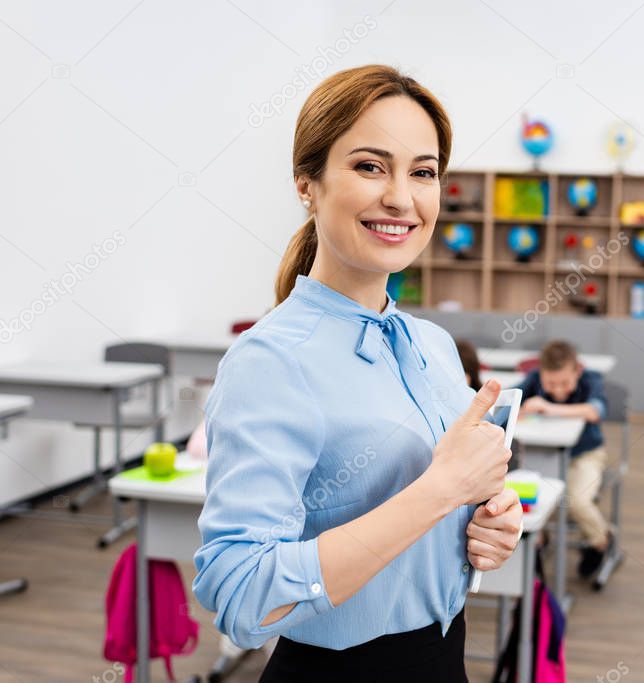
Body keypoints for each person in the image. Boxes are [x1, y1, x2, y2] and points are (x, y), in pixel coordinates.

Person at [192, 65, 523, 683]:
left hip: (446, 658)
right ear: (307, 185)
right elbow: (240, 597)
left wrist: (486, 524)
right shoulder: (271, 360)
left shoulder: (434, 345)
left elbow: (444, 506)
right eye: (371, 166)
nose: (401, 197)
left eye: (422, 172)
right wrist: (439, 493)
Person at [519, 340, 612, 578]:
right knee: (528, 502)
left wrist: (548, 407)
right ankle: (538, 543)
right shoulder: (534, 378)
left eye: (565, 383)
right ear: (541, 374)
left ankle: (600, 541)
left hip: (585, 455)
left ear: (577, 371)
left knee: (577, 501)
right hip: (543, 455)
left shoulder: (591, 379)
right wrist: (524, 408)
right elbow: (511, 403)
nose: (558, 390)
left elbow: (594, 412)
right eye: (550, 383)